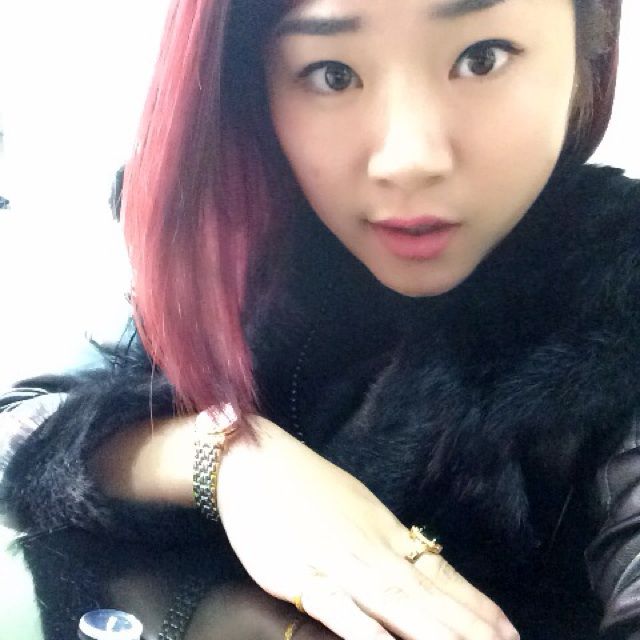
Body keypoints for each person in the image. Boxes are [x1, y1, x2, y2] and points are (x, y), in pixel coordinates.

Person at [0, 0, 636, 637]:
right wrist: (231, 464)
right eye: (333, 74)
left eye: (481, 58)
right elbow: (22, 423)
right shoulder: (244, 248)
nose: (407, 159)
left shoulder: (617, 288)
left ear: (593, 47)